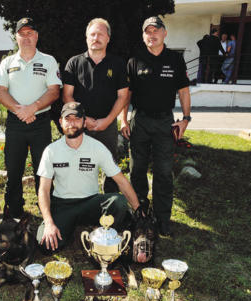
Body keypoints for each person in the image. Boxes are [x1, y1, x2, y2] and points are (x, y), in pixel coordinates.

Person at [36, 102, 142, 251]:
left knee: (119, 202)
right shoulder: (51, 150)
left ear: (84, 122)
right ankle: (75, 230)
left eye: (77, 118)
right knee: (45, 244)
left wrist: (139, 210)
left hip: (91, 203)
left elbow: (121, 181)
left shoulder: (97, 147)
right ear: (61, 122)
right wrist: (48, 222)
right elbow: (43, 190)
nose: (72, 123)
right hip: (63, 205)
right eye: (68, 119)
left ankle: (99, 233)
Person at [121, 16, 191, 236]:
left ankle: (163, 218)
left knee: (163, 171)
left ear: (164, 33)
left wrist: (186, 118)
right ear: (143, 35)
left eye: (156, 30)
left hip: (164, 122)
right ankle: (140, 213)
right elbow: (127, 94)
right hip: (139, 120)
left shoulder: (175, 59)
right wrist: (123, 120)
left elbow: (183, 91)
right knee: (137, 170)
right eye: (147, 32)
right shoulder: (134, 60)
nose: (151, 35)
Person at [0, 17, 62, 219]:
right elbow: (0, 91)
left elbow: (54, 91)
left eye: (30, 33)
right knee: (14, 169)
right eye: (22, 34)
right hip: (15, 123)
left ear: (36, 36)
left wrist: (33, 108)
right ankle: (13, 212)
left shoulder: (48, 61)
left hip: (40, 122)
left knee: (44, 169)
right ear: (16, 37)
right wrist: (19, 110)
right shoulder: (7, 62)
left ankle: (46, 210)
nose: (26, 37)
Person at [63, 18, 129, 193]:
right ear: (86, 38)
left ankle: (111, 206)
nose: (96, 37)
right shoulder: (74, 63)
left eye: (100, 34)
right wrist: (83, 119)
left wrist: (107, 121)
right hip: (79, 125)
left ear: (108, 38)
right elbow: (67, 95)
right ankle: (80, 202)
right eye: (92, 34)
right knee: (79, 166)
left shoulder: (118, 64)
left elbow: (122, 96)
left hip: (107, 127)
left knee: (111, 169)